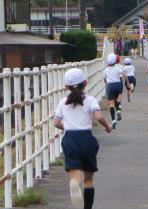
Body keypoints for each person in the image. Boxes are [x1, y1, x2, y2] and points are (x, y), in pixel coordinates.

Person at [53, 68, 112, 209]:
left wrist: (67, 127)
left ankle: (74, 183)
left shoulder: (63, 102)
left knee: (75, 176)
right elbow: (98, 116)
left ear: (66, 86)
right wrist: (107, 126)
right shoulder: (90, 100)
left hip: (70, 139)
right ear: (85, 83)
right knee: (88, 179)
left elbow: (55, 122)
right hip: (86, 138)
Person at [104, 53, 128, 129]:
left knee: (111, 103)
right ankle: (118, 110)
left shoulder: (106, 70)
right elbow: (124, 75)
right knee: (117, 99)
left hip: (110, 85)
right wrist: (127, 82)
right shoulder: (118, 68)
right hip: (118, 84)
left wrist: (107, 85)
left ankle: (113, 120)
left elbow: (104, 79)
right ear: (115, 61)